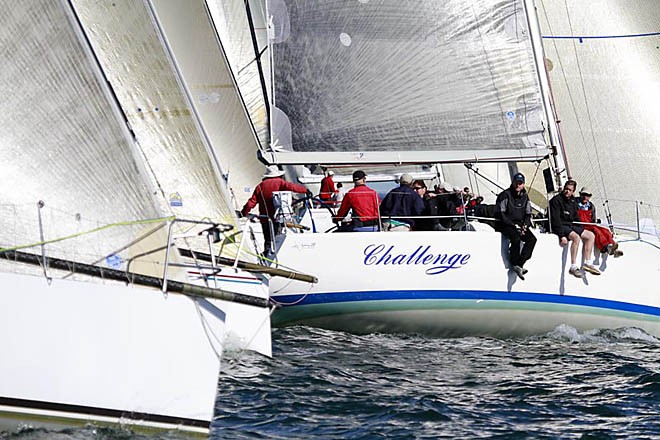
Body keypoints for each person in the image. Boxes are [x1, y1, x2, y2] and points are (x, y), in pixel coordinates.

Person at [241, 165, 308, 256]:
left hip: (264, 218)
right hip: (277, 217)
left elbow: (251, 202)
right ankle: (277, 256)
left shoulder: (259, 186)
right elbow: (292, 187)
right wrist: (305, 190)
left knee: (268, 239)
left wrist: (244, 212)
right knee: (278, 238)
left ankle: (267, 256)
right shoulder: (280, 182)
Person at [549, 179, 601, 278]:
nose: (567, 191)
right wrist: (561, 236)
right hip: (561, 225)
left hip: (571, 224)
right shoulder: (556, 200)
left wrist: (581, 229)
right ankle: (573, 266)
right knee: (576, 237)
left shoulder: (572, 201)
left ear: (573, 192)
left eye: (569, 190)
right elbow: (555, 220)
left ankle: (588, 262)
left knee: (590, 235)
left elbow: (576, 217)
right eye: (566, 189)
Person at [494, 173, 536, 280]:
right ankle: (514, 263)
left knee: (532, 239)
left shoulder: (525, 196)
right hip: (506, 223)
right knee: (516, 238)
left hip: (520, 223)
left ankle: (520, 264)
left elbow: (528, 213)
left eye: (520, 183)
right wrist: (514, 225)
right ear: (513, 182)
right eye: (517, 182)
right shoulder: (505, 195)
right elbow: (500, 213)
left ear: (523, 185)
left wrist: (525, 225)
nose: (518, 185)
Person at [577, 187, 623, 257]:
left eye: (587, 195)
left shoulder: (591, 206)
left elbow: (593, 218)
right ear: (580, 194)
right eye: (583, 194)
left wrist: (595, 222)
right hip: (581, 225)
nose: (585, 197)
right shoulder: (575, 204)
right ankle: (606, 247)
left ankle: (613, 248)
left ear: (590, 196)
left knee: (606, 231)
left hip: (589, 225)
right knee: (597, 231)